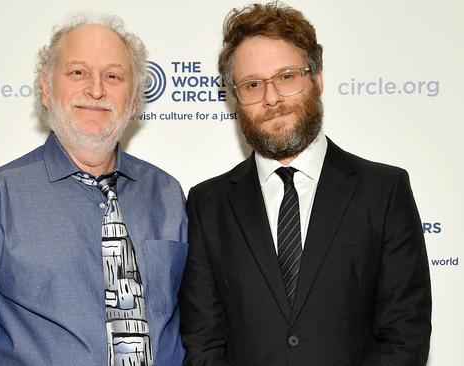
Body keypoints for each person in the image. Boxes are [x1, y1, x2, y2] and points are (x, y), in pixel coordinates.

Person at [0, 14, 187, 366]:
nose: (96, 89)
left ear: (135, 99)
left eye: (113, 76)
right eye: (77, 72)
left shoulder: (167, 195)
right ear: (46, 90)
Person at [179, 3, 432, 365]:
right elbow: (203, 342)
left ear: (317, 79)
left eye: (286, 77)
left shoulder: (384, 191)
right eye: (252, 84)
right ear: (235, 100)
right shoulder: (208, 205)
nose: (272, 98)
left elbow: (405, 334)